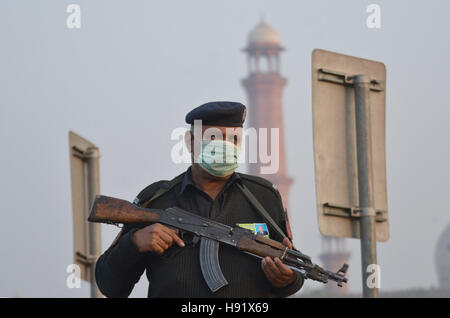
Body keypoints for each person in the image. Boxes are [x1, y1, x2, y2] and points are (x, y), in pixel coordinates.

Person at [95, 101, 304, 297]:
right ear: (190, 141)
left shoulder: (263, 197)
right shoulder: (156, 199)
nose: (226, 146)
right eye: (214, 138)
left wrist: (287, 279)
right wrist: (135, 243)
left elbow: (293, 270)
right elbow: (110, 286)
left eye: (234, 139)